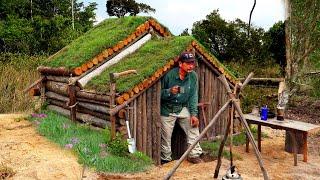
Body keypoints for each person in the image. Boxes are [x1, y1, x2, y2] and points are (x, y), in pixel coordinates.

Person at [160, 51, 203, 164]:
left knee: (193, 128)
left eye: (192, 63)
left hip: (182, 107)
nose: (191, 66)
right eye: (187, 63)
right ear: (180, 64)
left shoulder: (193, 76)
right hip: (167, 109)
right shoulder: (169, 75)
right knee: (166, 136)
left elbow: (193, 96)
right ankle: (166, 160)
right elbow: (157, 94)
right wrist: (169, 91)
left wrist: (194, 114)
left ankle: (194, 155)